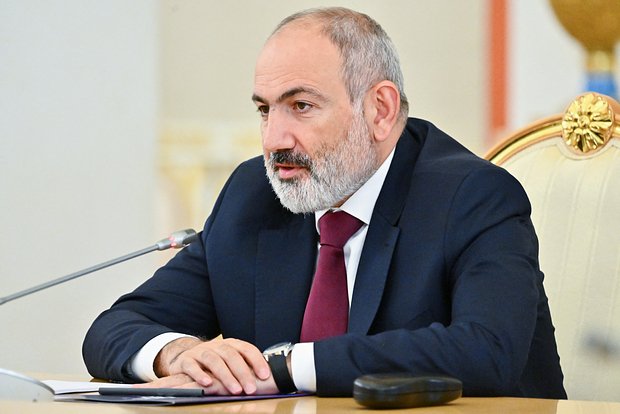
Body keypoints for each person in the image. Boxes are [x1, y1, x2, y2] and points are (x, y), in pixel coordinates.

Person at [83, 7, 566, 398]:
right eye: (265, 109)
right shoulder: (254, 196)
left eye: (301, 106)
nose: (273, 139)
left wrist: (287, 365)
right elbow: (114, 329)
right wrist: (179, 353)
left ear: (380, 109)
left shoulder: (473, 197)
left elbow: (487, 350)